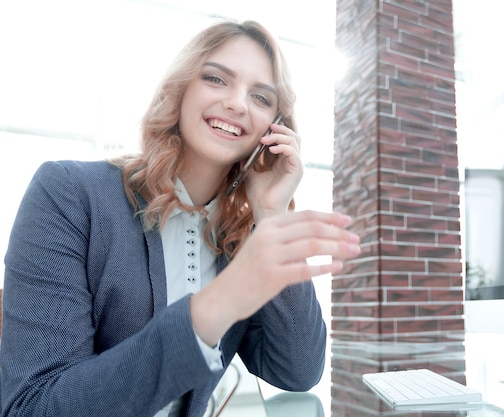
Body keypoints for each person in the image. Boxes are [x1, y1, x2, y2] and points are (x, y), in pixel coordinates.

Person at [0, 20, 361, 416]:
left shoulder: (239, 239)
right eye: (216, 79)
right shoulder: (69, 193)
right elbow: (33, 406)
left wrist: (271, 215)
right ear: (181, 88)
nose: (238, 104)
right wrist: (214, 307)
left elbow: (297, 370)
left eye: (261, 98)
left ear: (273, 129)